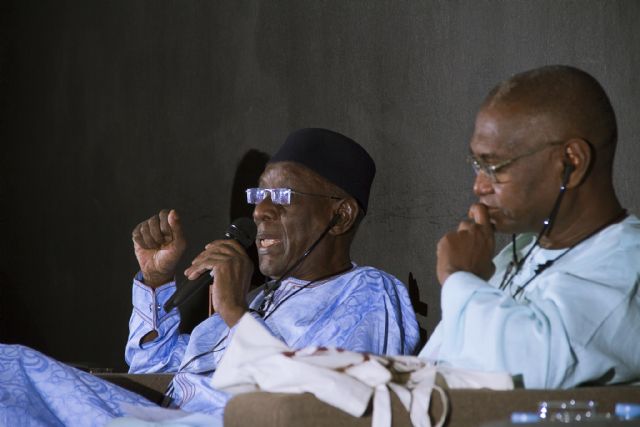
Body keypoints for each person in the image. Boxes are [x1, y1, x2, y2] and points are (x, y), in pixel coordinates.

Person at [0, 128, 420, 426]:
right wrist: (155, 282)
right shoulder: (262, 299)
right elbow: (151, 368)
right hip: (158, 413)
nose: (259, 212)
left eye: (282, 197)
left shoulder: (368, 291)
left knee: (13, 366)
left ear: (340, 214)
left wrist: (237, 313)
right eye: (259, 196)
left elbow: (335, 404)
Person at [420, 65, 640, 389]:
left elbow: (523, 373)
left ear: (571, 162)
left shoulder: (627, 266)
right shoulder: (518, 254)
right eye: (477, 165)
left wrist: (457, 277)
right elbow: (436, 370)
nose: (479, 186)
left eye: (494, 167)